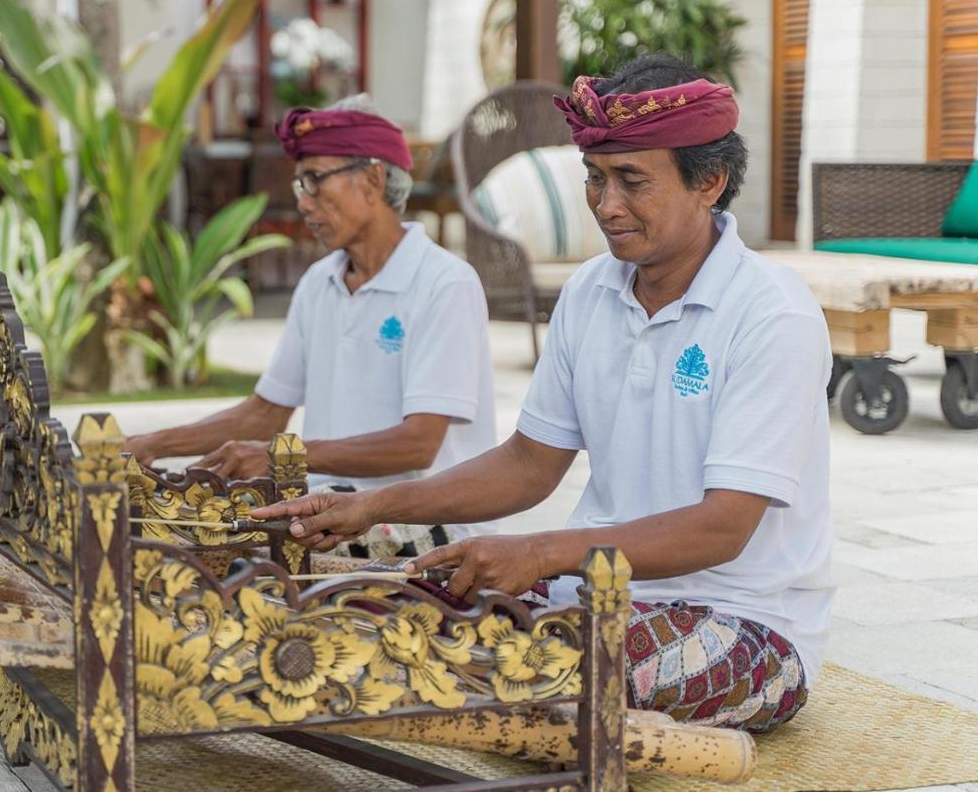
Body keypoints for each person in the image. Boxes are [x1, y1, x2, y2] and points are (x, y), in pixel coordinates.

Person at [253, 54, 834, 732]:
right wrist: (369, 506)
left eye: (631, 181)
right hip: (589, 590)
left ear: (710, 181)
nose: (606, 205)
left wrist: (544, 550)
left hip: (747, 621)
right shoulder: (591, 291)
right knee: (378, 606)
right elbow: (528, 464)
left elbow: (723, 525)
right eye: (594, 178)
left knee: (534, 663)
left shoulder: (772, 313)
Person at [125, 97, 499, 558]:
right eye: (300, 184)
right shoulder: (319, 282)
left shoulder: (444, 282)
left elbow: (419, 444)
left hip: (425, 523)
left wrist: (286, 455)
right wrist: (152, 445)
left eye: (315, 180)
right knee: (169, 526)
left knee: (228, 555)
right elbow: (265, 413)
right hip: (332, 508)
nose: (303, 201)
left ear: (372, 179)